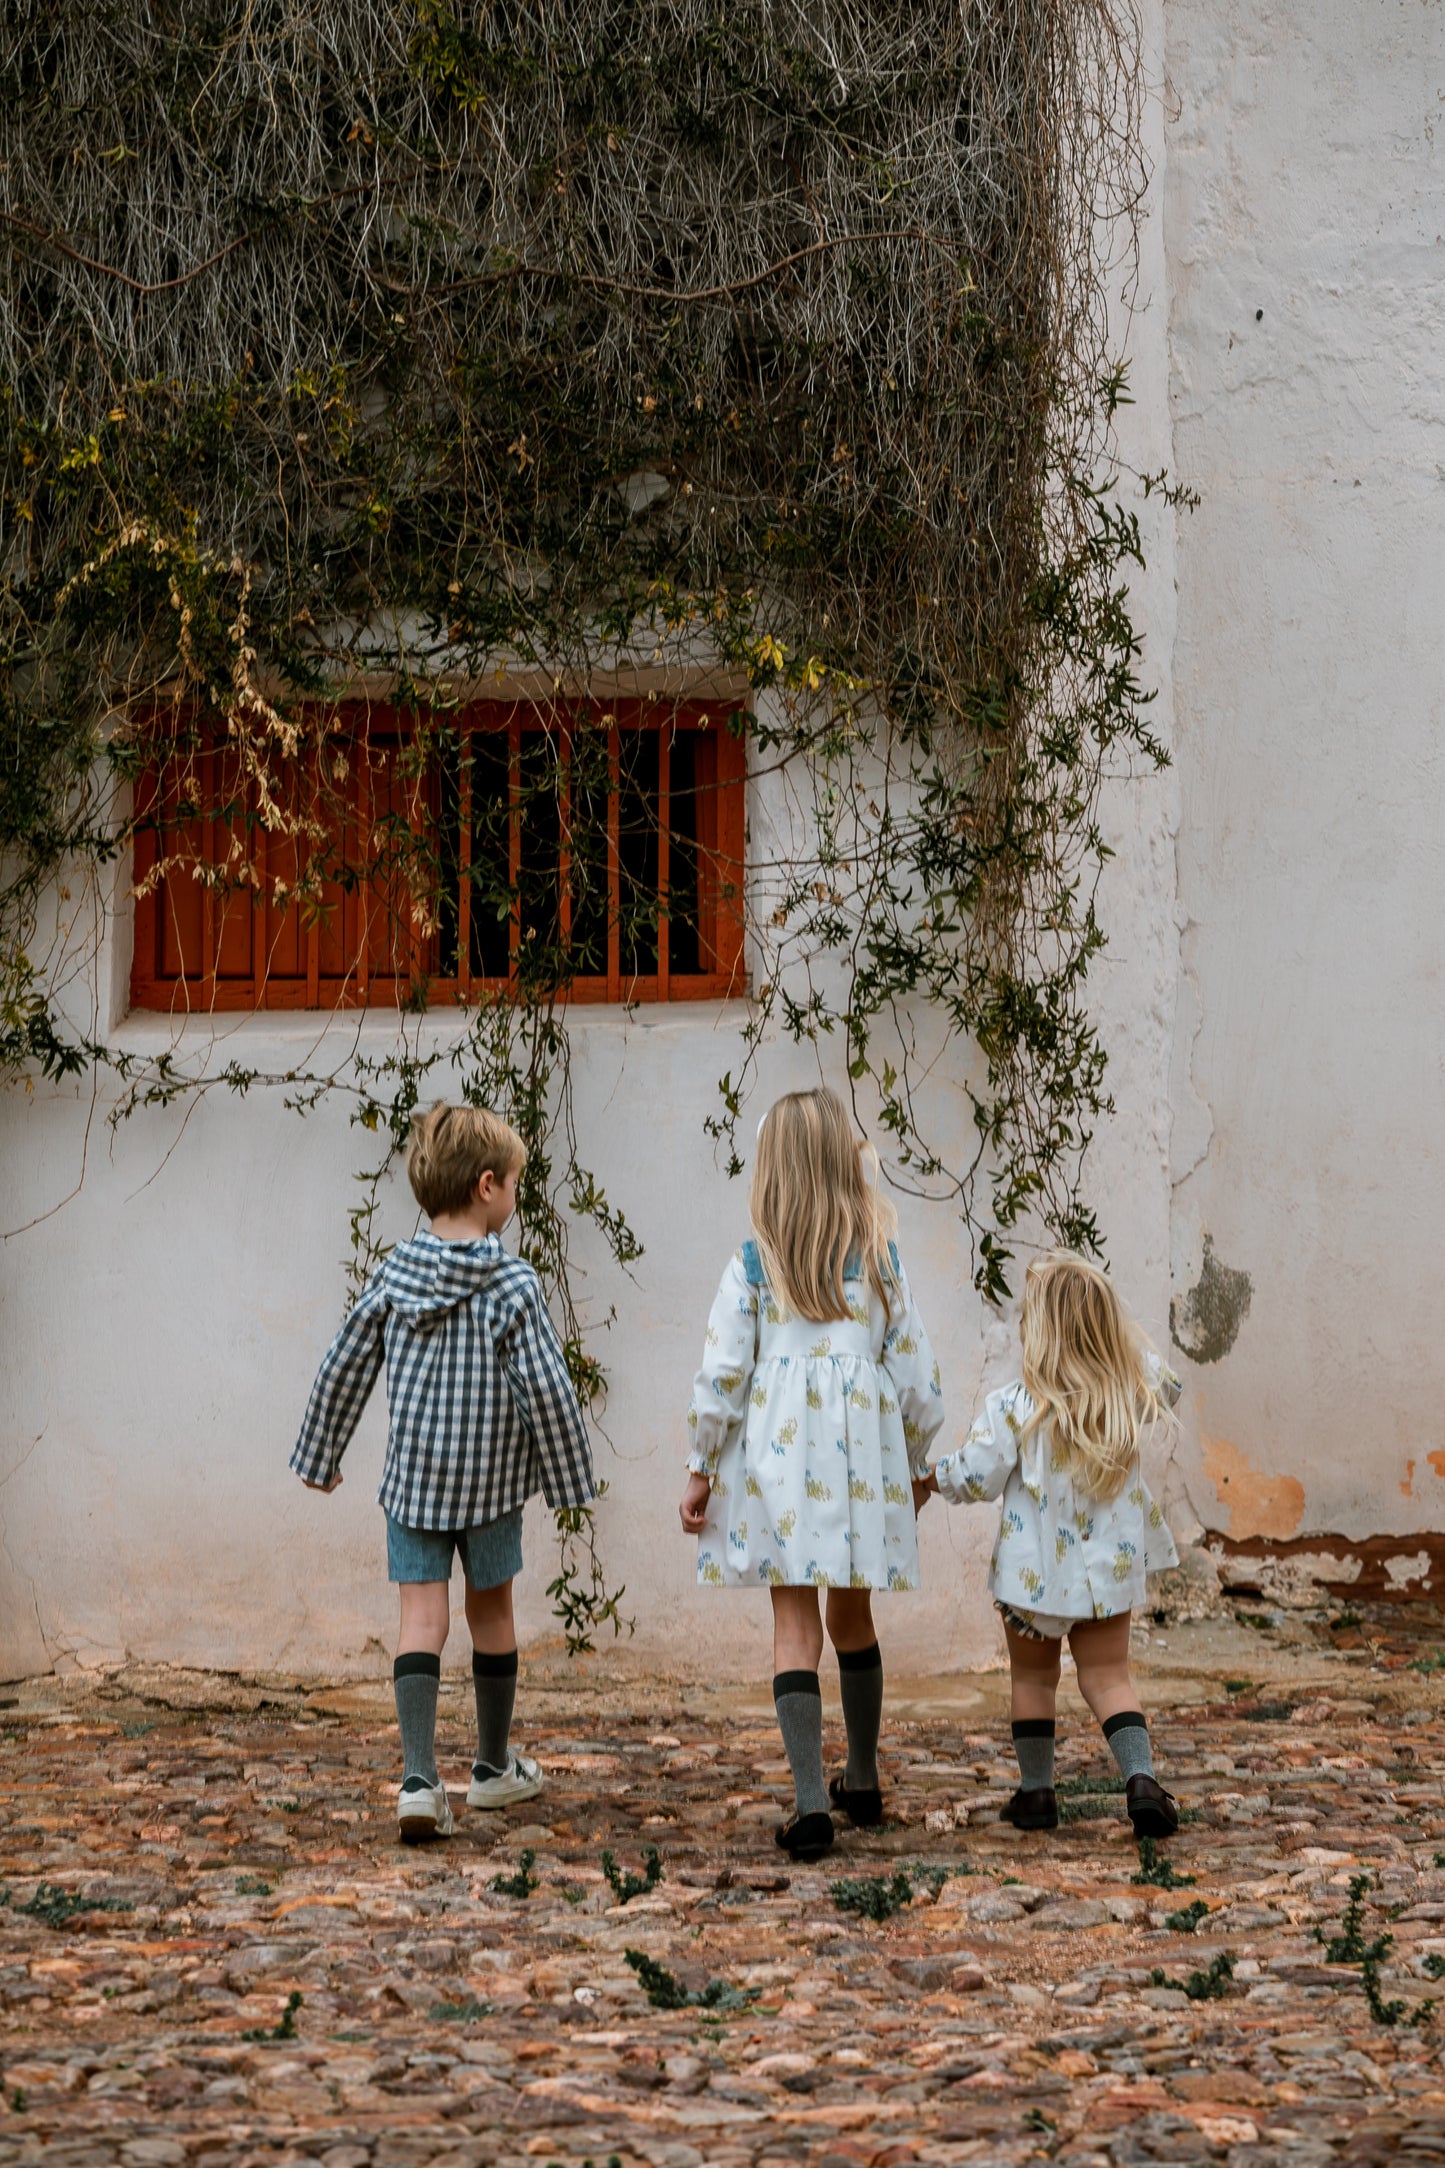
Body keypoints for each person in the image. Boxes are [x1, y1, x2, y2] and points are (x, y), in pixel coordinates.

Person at [291, 1102, 595, 1843]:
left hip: (413, 1488)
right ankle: (491, 1769)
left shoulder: (394, 1273)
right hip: (490, 1489)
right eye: (516, 1181)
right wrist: (569, 1484)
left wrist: (318, 1456)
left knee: (419, 1621)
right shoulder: (512, 1285)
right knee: (490, 1615)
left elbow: (344, 1364)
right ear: (487, 1185)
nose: (518, 1193)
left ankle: (421, 1780)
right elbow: (548, 1390)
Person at [678, 1086, 943, 1860]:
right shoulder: (879, 1262)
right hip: (858, 1471)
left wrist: (700, 1465)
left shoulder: (754, 1267)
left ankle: (807, 1803)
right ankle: (859, 1775)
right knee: (851, 1618)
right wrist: (921, 1462)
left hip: (778, 1468)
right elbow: (916, 1376)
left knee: (792, 1625)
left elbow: (722, 1373)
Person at [923, 1250, 1182, 1837]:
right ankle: (1140, 1780)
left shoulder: (1016, 1407)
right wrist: (1117, 1345)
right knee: (1110, 1675)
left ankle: (1037, 1794)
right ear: (1108, 1330)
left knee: (1033, 1681)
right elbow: (1170, 1383)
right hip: (1108, 1575)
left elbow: (976, 1474)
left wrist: (932, 1479)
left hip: (1032, 1579)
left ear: (1035, 1336)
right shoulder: (1126, 1394)